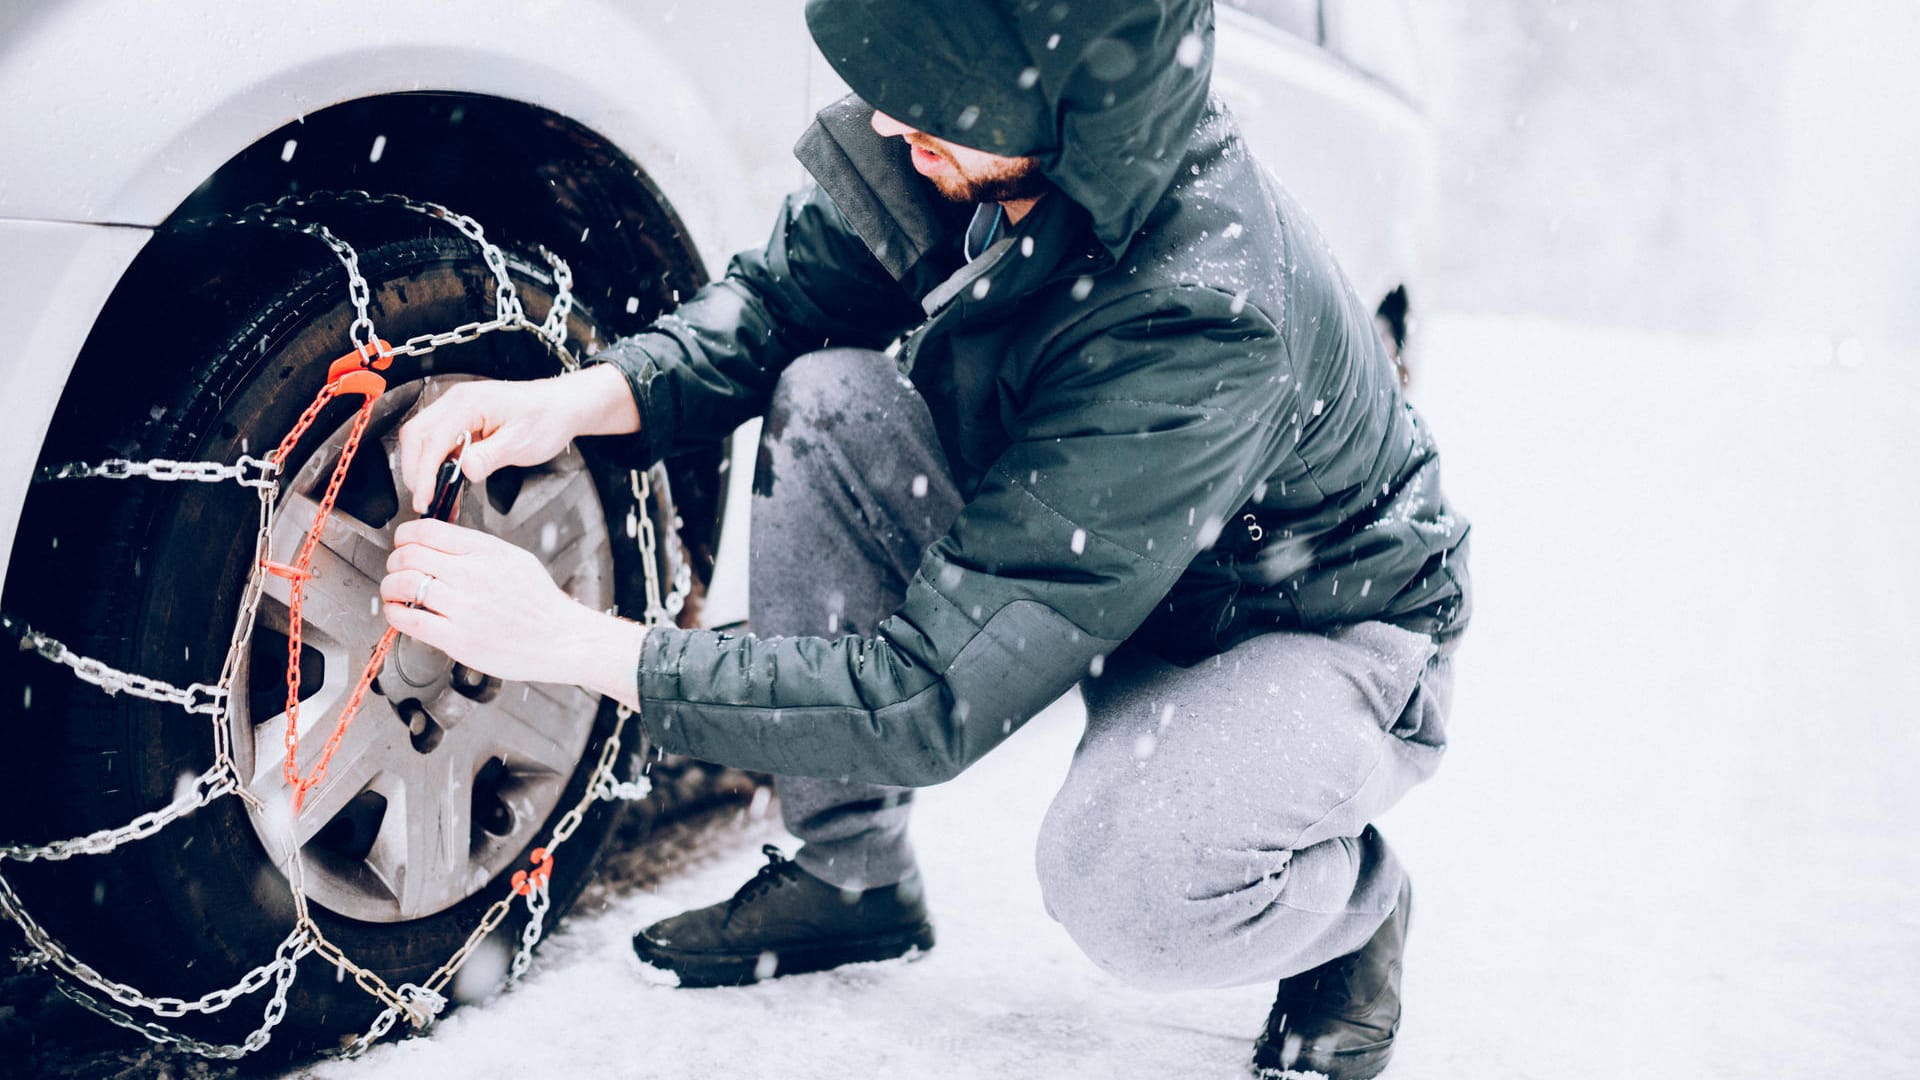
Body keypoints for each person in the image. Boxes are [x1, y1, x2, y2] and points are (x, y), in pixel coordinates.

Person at [380, 1, 1470, 1075]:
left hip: (1316, 627)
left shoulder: (1200, 316)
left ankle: (1351, 911)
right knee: (833, 397)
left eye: (932, 102)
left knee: (1128, 882)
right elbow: (781, 305)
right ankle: (851, 872)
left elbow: (925, 697)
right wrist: (584, 397)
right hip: (1130, 570)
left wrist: (573, 645)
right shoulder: (983, 146)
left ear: (1056, 101)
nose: (894, 124)